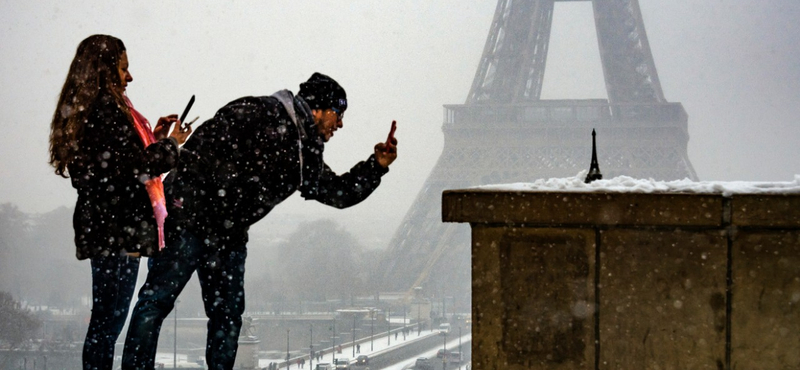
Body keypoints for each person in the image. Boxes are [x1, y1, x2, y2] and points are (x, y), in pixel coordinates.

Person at [122, 73, 397, 369]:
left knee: (170, 305)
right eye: (338, 114)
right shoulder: (265, 117)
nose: (340, 123)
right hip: (196, 223)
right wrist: (219, 201)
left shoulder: (302, 147)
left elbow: (337, 193)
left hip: (215, 228)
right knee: (211, 315)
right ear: (318, 108)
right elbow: (199, 153)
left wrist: (376, 166)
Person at [48, 34, 190, 370]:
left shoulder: (96, 109)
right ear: (105, 69)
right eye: (124, 68)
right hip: (117, 228)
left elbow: (116, 165)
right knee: (108, 323)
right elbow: (134, 170)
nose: (129, 77)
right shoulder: (106, 110)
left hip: (109, 227)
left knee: (106, 322)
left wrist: (154, 138)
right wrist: (172, 147)